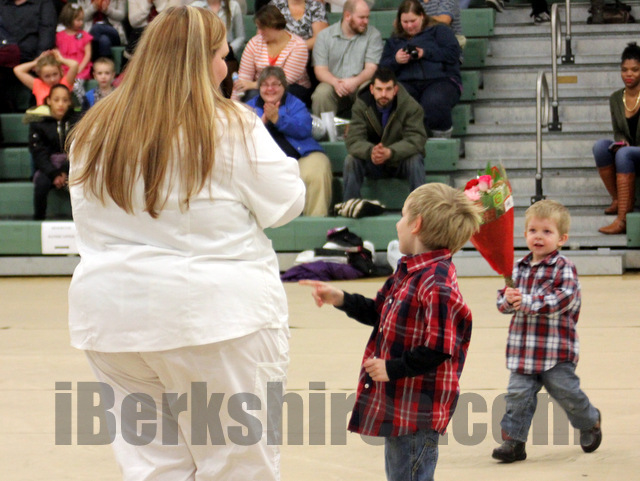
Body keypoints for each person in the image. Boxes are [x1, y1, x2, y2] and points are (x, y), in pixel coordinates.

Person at [67, 6, 305, 480]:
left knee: (154, 468)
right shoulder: (229, 124)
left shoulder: (93, 129)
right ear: (198, 61)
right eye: (220, 55)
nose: (225, 67)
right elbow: (286, 203)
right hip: (213, 319)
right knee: (238, 466)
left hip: (114, 319)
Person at [301, 182, 482, 481]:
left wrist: (392, 368)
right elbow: (378, 312)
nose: (398, 223)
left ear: (416, 224)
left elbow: (439, 348)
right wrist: (341, 298)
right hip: (400, 403)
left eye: (402, 215)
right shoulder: (409, 270)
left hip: (418, 409)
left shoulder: (436, 284)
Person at [492, 200, 602, 463]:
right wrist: (508, 300)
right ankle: (514, 442)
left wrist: (526, 301)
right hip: (523, 351)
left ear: (562, 238)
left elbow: (561, 300)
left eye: (547, 231)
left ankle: (589, 421)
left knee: (567, 394)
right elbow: (502, 302)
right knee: (517, 396)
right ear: (525, 234)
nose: (538, 236)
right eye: (533, 230)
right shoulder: (516, 268)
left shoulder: (564, 268)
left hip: (555, 351)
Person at [247, 66, 332, 216]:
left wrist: (278, 119)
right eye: (265, 85)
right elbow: (244, 138)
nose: (270, 89)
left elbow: (304, 129)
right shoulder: (249, 108)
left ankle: (315, 222)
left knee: (318, 167)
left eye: (275, 84)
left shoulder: (295, 104)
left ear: (284, 86)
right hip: (265, 163)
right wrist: (263, 122)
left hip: (301, 156)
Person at [343, 67, 427, 201]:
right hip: (372, 161)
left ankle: (420, 206)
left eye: (388, 89)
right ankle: (350, 205)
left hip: (399, 161)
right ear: (372, 89)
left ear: (395, 89)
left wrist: (391, 152)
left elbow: (416, 139)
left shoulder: (411, 106)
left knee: (415, 159)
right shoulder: (361, 105)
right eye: (379, 89)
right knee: (351, 160)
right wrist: (371, 151)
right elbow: (354, 140)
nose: (383, 94)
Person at [380, 0, 461, 138]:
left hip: (441, 79)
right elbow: (383, 69)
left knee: (434, 102)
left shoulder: (439, 30)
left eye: (413, 21)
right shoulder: (394, 40)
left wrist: (425, 53)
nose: (409, 26)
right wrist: (396, 60)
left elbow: (453, 54)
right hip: (407, 82)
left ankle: (441, 140)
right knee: (397, 101)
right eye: (405, 22)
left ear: (422, 16)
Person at [594, 42, 640, 235]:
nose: (629, 74)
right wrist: (622, 141)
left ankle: (623, 220)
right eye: (624, 70)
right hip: (631, 151)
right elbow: (618, 131)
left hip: (633, 153)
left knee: (624, 155)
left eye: (635, 70)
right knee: (600, 147)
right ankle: (618, 199)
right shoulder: (615, 98)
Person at [311, 0, 383, 118]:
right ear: (347, 16)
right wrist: (336, 83)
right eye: (362, 17)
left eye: (367, 17)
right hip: (333, 84)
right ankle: (326, 129)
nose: (366, 21)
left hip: (360, 82)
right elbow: (320, 70)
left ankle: (364, 128)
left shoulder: (373, 35)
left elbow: (371, 68)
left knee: (367, 90)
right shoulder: (324, 36)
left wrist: (354, 82)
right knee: (321, 93)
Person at [232, 5, 310, 104]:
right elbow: (243, 79)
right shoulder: (254, 43)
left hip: (292, 88)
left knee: (260, 96)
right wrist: (233, 104)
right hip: (260, 89)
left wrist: (253, 85)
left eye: (262, 28)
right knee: (253, 96)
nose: (259, 32)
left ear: (274, 26)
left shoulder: (298, 46)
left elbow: (285, 80)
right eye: (258, 28)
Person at [29, 84, 79, 220]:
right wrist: (54, 173)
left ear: (69, 102)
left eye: (65, 100)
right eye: (56, 100)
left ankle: (80, 220)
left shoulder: (77, 121)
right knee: (41, 184)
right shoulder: (38, 123)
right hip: (48, 166)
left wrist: (64, 170)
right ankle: (39, 220)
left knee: (81, 183)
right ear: (49, 100)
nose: (60, 104)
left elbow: (79, 149)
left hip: (72, 164)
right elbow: (38, 151)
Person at [13, 49, 78, 105]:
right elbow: (17, 70)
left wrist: (61, 59)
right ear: (40, 76)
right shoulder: (38, 85)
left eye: (55, 74)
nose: (52, 79)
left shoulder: (65, 83)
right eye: (47, 76)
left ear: (60, 72)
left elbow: (74, 65)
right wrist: (36, 62)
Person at [56, 3, 93, 85]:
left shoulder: (84, 35)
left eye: (82, 20)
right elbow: (57, 55)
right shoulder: (58, 36)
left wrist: (80, 68)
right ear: (68, 19)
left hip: (81, 69)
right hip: (64, 69)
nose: (81, 23)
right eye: (78, 20)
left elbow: (88, 54)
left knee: (77, 84)